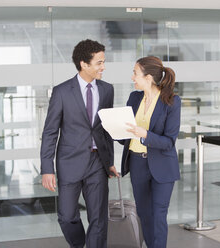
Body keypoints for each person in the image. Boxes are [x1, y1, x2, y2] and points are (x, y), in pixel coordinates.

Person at [40, 39, 119, 248]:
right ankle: (79, 244)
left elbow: (106, 129)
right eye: (99, 62)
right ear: (84, 64)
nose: (103, 67)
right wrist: (47, 168)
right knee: (66, 216)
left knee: (98, 219)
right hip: (69, 163)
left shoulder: (107, 90)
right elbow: (50, 132)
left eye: (104, 62)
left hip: (97, 163)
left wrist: (109, 161)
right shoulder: (62, 92)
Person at [120, 56, 181, 248]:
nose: (132, 77)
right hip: (138, 163)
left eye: (135, 73)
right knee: (144, 213)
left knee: (158, 214)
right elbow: (126, 136)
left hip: (162, 165)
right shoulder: (134, 98)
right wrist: (114, 129)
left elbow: (169, 142)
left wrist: (145, 134)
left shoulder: (171, 101)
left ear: (148, 78)